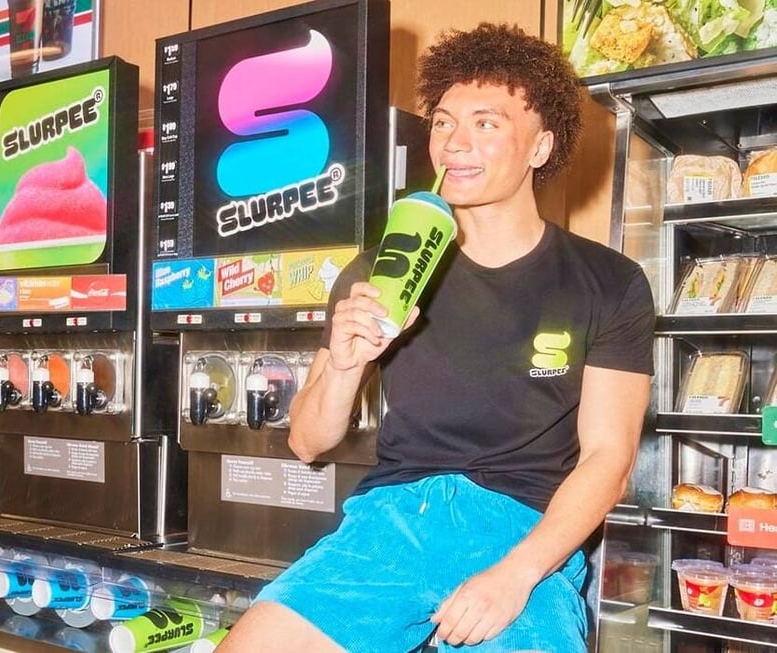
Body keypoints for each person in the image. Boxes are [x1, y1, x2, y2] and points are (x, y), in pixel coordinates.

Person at [217, 22, 655, 653]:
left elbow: (607, 462)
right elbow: (308, 443)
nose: (455, 144)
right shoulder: (379, 268)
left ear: (540, 146)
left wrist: (514, 577)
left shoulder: (608, 283)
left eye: (486, 123)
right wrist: (342, 365)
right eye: (445, 122)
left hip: (526, 532)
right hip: (397, 522)